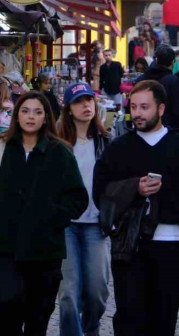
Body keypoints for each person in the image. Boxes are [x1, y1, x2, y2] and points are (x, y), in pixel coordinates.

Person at [93, 80, 179, 336]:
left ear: (160, 109)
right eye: (134, 106)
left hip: (171, 245)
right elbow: (100, 191)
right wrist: (132, 188)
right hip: (130, 246)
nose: (137, 113)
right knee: (129, 319)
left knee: (164, 321)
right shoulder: (118, 149)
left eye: (144, 107)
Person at [0, 92, 89, 336]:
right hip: (7, 246)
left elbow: (77, 197)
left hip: (45, 250)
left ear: (46, 118)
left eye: (38, 112)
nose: (31, 117)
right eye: (25, 111)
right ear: (16, 115)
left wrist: (52, 216)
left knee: (37, 318)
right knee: (7, 306)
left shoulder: (60, 153)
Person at [56, 83, 112, 336]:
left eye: (89, 100)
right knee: (68, 293)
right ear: (69, 109)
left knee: (97, 291)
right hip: (66, 225)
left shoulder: (105, 141)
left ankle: (91, 329)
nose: (86, 105)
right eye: (79, 101)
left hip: (95, 224)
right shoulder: (58, 144)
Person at [137, 44, 179, 133]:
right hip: (168, 130)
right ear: (173, 62)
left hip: (144, 126)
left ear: (156, 60)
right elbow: (178, 109)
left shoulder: (142, 79)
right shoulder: (174, 81)